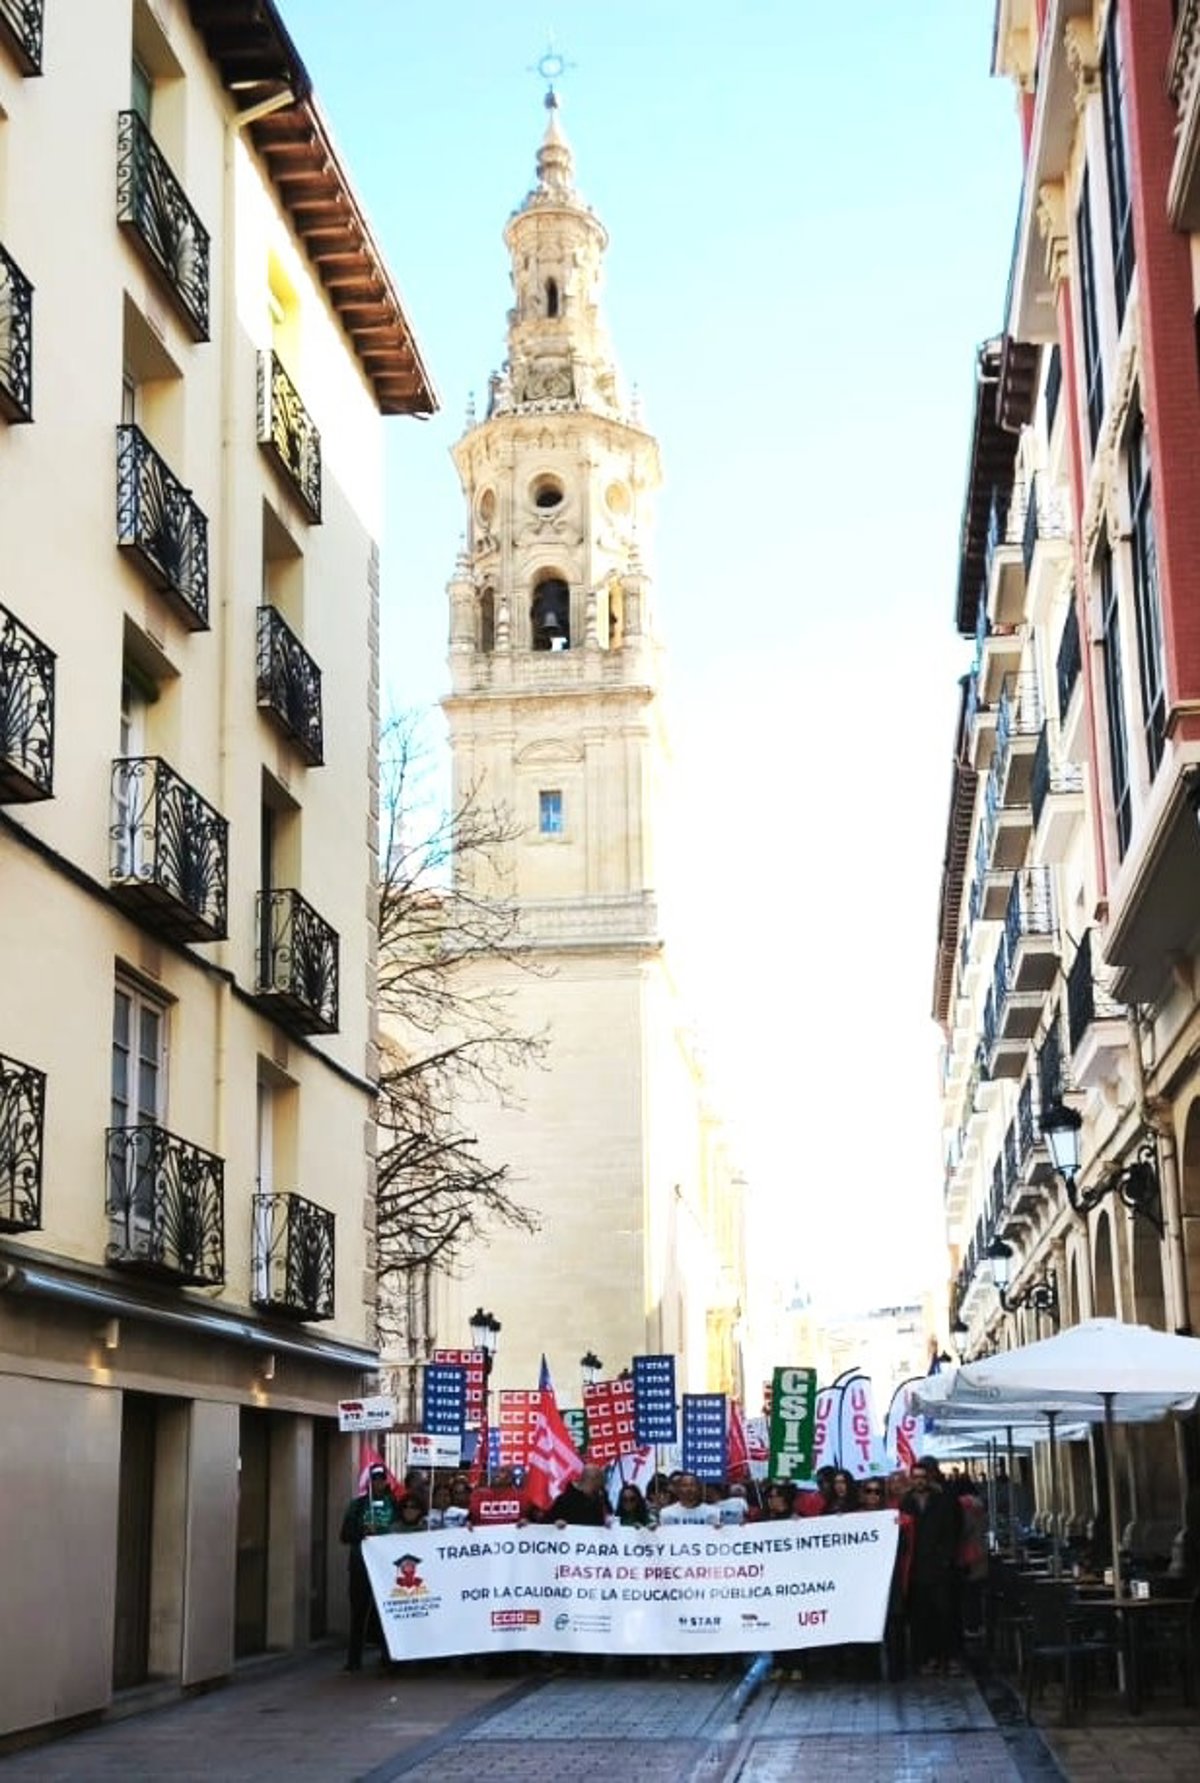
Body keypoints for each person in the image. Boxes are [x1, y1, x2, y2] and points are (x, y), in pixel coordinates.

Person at [902, 1458, 964, 1676]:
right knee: (921, 1616)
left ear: (928, 1477)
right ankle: (926, 1658)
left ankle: (949, 1657)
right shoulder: (906, 1502)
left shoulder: (943, 1500)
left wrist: (946, 1558)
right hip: (917, 1569)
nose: (919, 1481)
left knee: (945, 1614)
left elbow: (954, 1529)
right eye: (915, 1477)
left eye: (922, 1477)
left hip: (940, 1568)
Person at [339, 1462, 402, 1673]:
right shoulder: (357, 1505)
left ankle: (389, 1657)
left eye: (381, 1479)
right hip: (361, 1566)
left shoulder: (394, 1504)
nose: (378, 1483)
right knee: (359, 1614)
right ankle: (354, 1660)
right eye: (374, 1479)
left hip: (387, 1568)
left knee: (387, 1612)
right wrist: (362, 1532)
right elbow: (345, 1535)